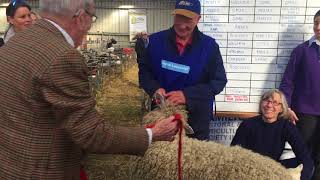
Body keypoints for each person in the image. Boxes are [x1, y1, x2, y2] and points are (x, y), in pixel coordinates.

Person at [0, 0, 179, 179]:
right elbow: (91, 133)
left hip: (10, 164)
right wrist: (152, 134)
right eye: (92, 18)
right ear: (80, 17)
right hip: (42, 171)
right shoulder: (63, 57)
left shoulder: (15, 43)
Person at [138, 0, 227, 140]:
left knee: (193, 159)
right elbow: (144, 72)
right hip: (163, 115)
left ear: (198, 19)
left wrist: (188, 95)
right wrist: (154, 88)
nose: (182, 25)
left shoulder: (209, 47)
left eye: (188, 19)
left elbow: (219, 81)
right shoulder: (155, 42)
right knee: (163, 156)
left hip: (196, 119)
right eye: (179, 18)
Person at [231, 89, 314, 180]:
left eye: (275, 102)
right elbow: (234, 153)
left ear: (281, 108)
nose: (269, 105)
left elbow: (304, 155)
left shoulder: (286, 126)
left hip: (272, 167)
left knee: (304, 162)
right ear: (261, 104)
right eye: (266, 100)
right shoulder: (247, 124)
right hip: (250, 167)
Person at [279, 9, 320, 179]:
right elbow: (288, 81)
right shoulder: (301, 51)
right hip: (305, 114)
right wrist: (286, 107)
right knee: (304, 157)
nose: (318, 27)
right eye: (316, 22)